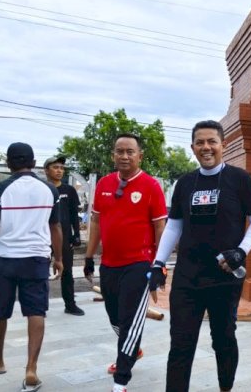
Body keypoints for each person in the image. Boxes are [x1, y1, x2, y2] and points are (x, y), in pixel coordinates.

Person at [150, 120, 251, 392]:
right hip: (188, 277)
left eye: (212, 141)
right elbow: (174, 226)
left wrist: (241, 251)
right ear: (192, 147)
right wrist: (158, 263)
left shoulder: (240, 179)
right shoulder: (185, 183)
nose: (206, 147)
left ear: (223, 145)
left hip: (224, 276)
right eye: (200, 142)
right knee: (180, 343)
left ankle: (226, 387)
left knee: (223, 339)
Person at [83, 133, 168, 392]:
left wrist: (159, 265)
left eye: (130, 151)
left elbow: (160, 228)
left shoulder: (151, 186)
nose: (124, 156)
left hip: (139, 264)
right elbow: (96, 222)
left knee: (130, 321)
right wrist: (88, 257)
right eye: (119, 151)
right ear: (113, 155)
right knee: (116, 319)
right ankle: (133, 349)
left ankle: (121, 378)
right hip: (109, 264)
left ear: (140, 156)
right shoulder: (104, 184)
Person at [0, 142, 63, 392]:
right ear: (35, 163)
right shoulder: (49, 190)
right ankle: (31, 369)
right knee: (36, 311)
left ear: (8, 164)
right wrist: (59, 259)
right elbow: (55, 227)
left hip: (4, 259)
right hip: (36, 259)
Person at [43, 156, 84, 316]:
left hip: (65, 237)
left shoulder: (69, 190)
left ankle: (70, 304)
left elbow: (74, 214)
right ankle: (40, 307)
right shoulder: (42, 189)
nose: (59, 170)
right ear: (47, 170)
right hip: (44, 237)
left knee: (67, 272)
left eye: (61, 168)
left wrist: (77, 235)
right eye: (55, 167)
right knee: (41, 272)